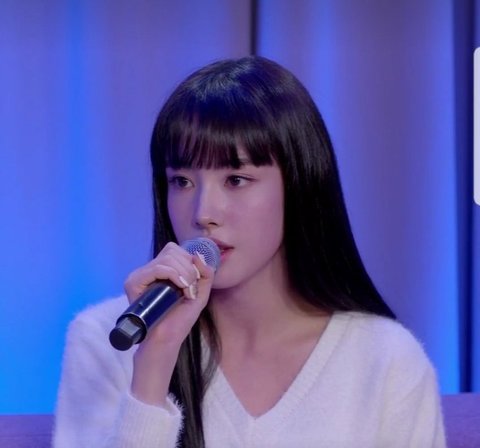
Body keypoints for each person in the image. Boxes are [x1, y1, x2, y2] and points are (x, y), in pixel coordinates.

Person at [53, 56, 446, 447]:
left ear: (299, 185)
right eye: (182, 181)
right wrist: (154, 364)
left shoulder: (386, 359)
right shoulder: (107, 339)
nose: (203, 213)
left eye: (236, 179)